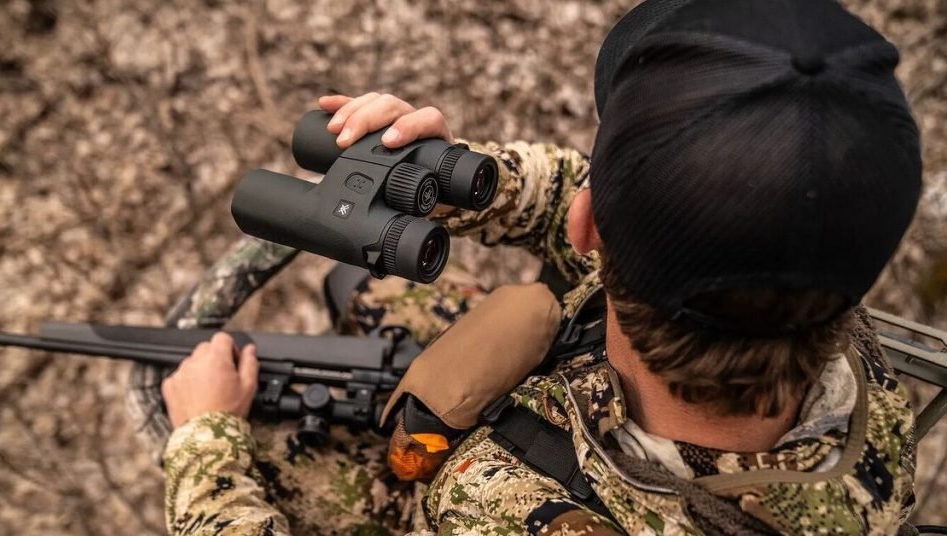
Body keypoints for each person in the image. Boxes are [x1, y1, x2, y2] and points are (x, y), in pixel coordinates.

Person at [158, 0, 923, 533]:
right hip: (572, 385)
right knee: (356, 285)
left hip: (452, 484)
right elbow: (605, 205)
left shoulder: (498, 515)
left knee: (265, 430)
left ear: (588, 227)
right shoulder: (844, 341)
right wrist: (464, 181)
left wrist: (205, 448)